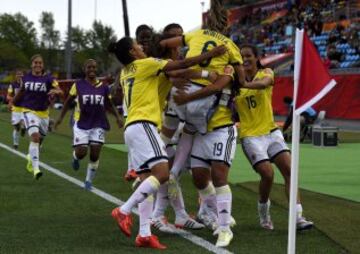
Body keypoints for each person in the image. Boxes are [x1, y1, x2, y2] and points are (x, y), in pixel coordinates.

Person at [108, 36, 226, 249]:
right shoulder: (148, 64)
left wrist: (190, 75)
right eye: (137, 44)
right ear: (133, 52)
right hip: (145, 125)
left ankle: (144, 233)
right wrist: (210, 56)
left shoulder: (127, 71)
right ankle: (124, 210)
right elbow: (181, 66)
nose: (141, 46)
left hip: (132, 128)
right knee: (162, 174)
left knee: (146, 180)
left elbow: (176, 73)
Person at [159, 0, 245, 247]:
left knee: (218, 176)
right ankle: (208, 212)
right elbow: (240, 81)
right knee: (198, 178)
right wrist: (231, 77)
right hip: (201, 124)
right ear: (226, 25)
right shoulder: (230, 46)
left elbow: (181, 64)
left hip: (220, 127)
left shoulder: (195, 35)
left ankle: (225, 227)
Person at [234, 44, 313, 231]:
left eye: (248, 56)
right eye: (242, 56)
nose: (245, 59)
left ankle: (298, 218)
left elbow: (263, 84)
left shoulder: (266, 73)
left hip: (271, 132)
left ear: (256, 57)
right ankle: (263, 212)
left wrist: (244, 84)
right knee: (268, 175)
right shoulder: (233, 82)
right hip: (251, 136)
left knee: (289, 171)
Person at [55, 59, 122, 190]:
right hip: (81, 122)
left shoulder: (103, 87)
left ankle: (88, 181)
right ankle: (75, 157)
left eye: (94, 67)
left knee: (95, 154)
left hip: (99, 123)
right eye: (89, 67)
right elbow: (68, 102)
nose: (91, 69)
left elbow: (108, 104)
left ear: (96, 69)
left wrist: (117, 117)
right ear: (84, 69)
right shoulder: (78, 85)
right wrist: (59, 118)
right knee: (82, 152)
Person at [13, 54, 63, 179]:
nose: (38, 65)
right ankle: (36, 169)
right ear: (32, 64)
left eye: (40, 63)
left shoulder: (49, 78)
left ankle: (30, 157)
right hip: (29, 110)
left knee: (40, 140)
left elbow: (60, 91)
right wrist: (13, 101)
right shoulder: (26, 78)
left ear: (43, 65)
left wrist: (55, 91)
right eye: (35, 62)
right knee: (35, 137)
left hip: (44, 113)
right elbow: (22, 91)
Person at [6, 70, 25, 149]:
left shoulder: (26, 84)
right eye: (18, 74)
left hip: (25, 108)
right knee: (17, 127)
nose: (19, 76)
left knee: (25, 124)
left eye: (21, 74)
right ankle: (15, 143)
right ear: (15, 76)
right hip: (16, 108)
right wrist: (13, 99)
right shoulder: (13, 85)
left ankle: (24, 128)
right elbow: (8, 96)